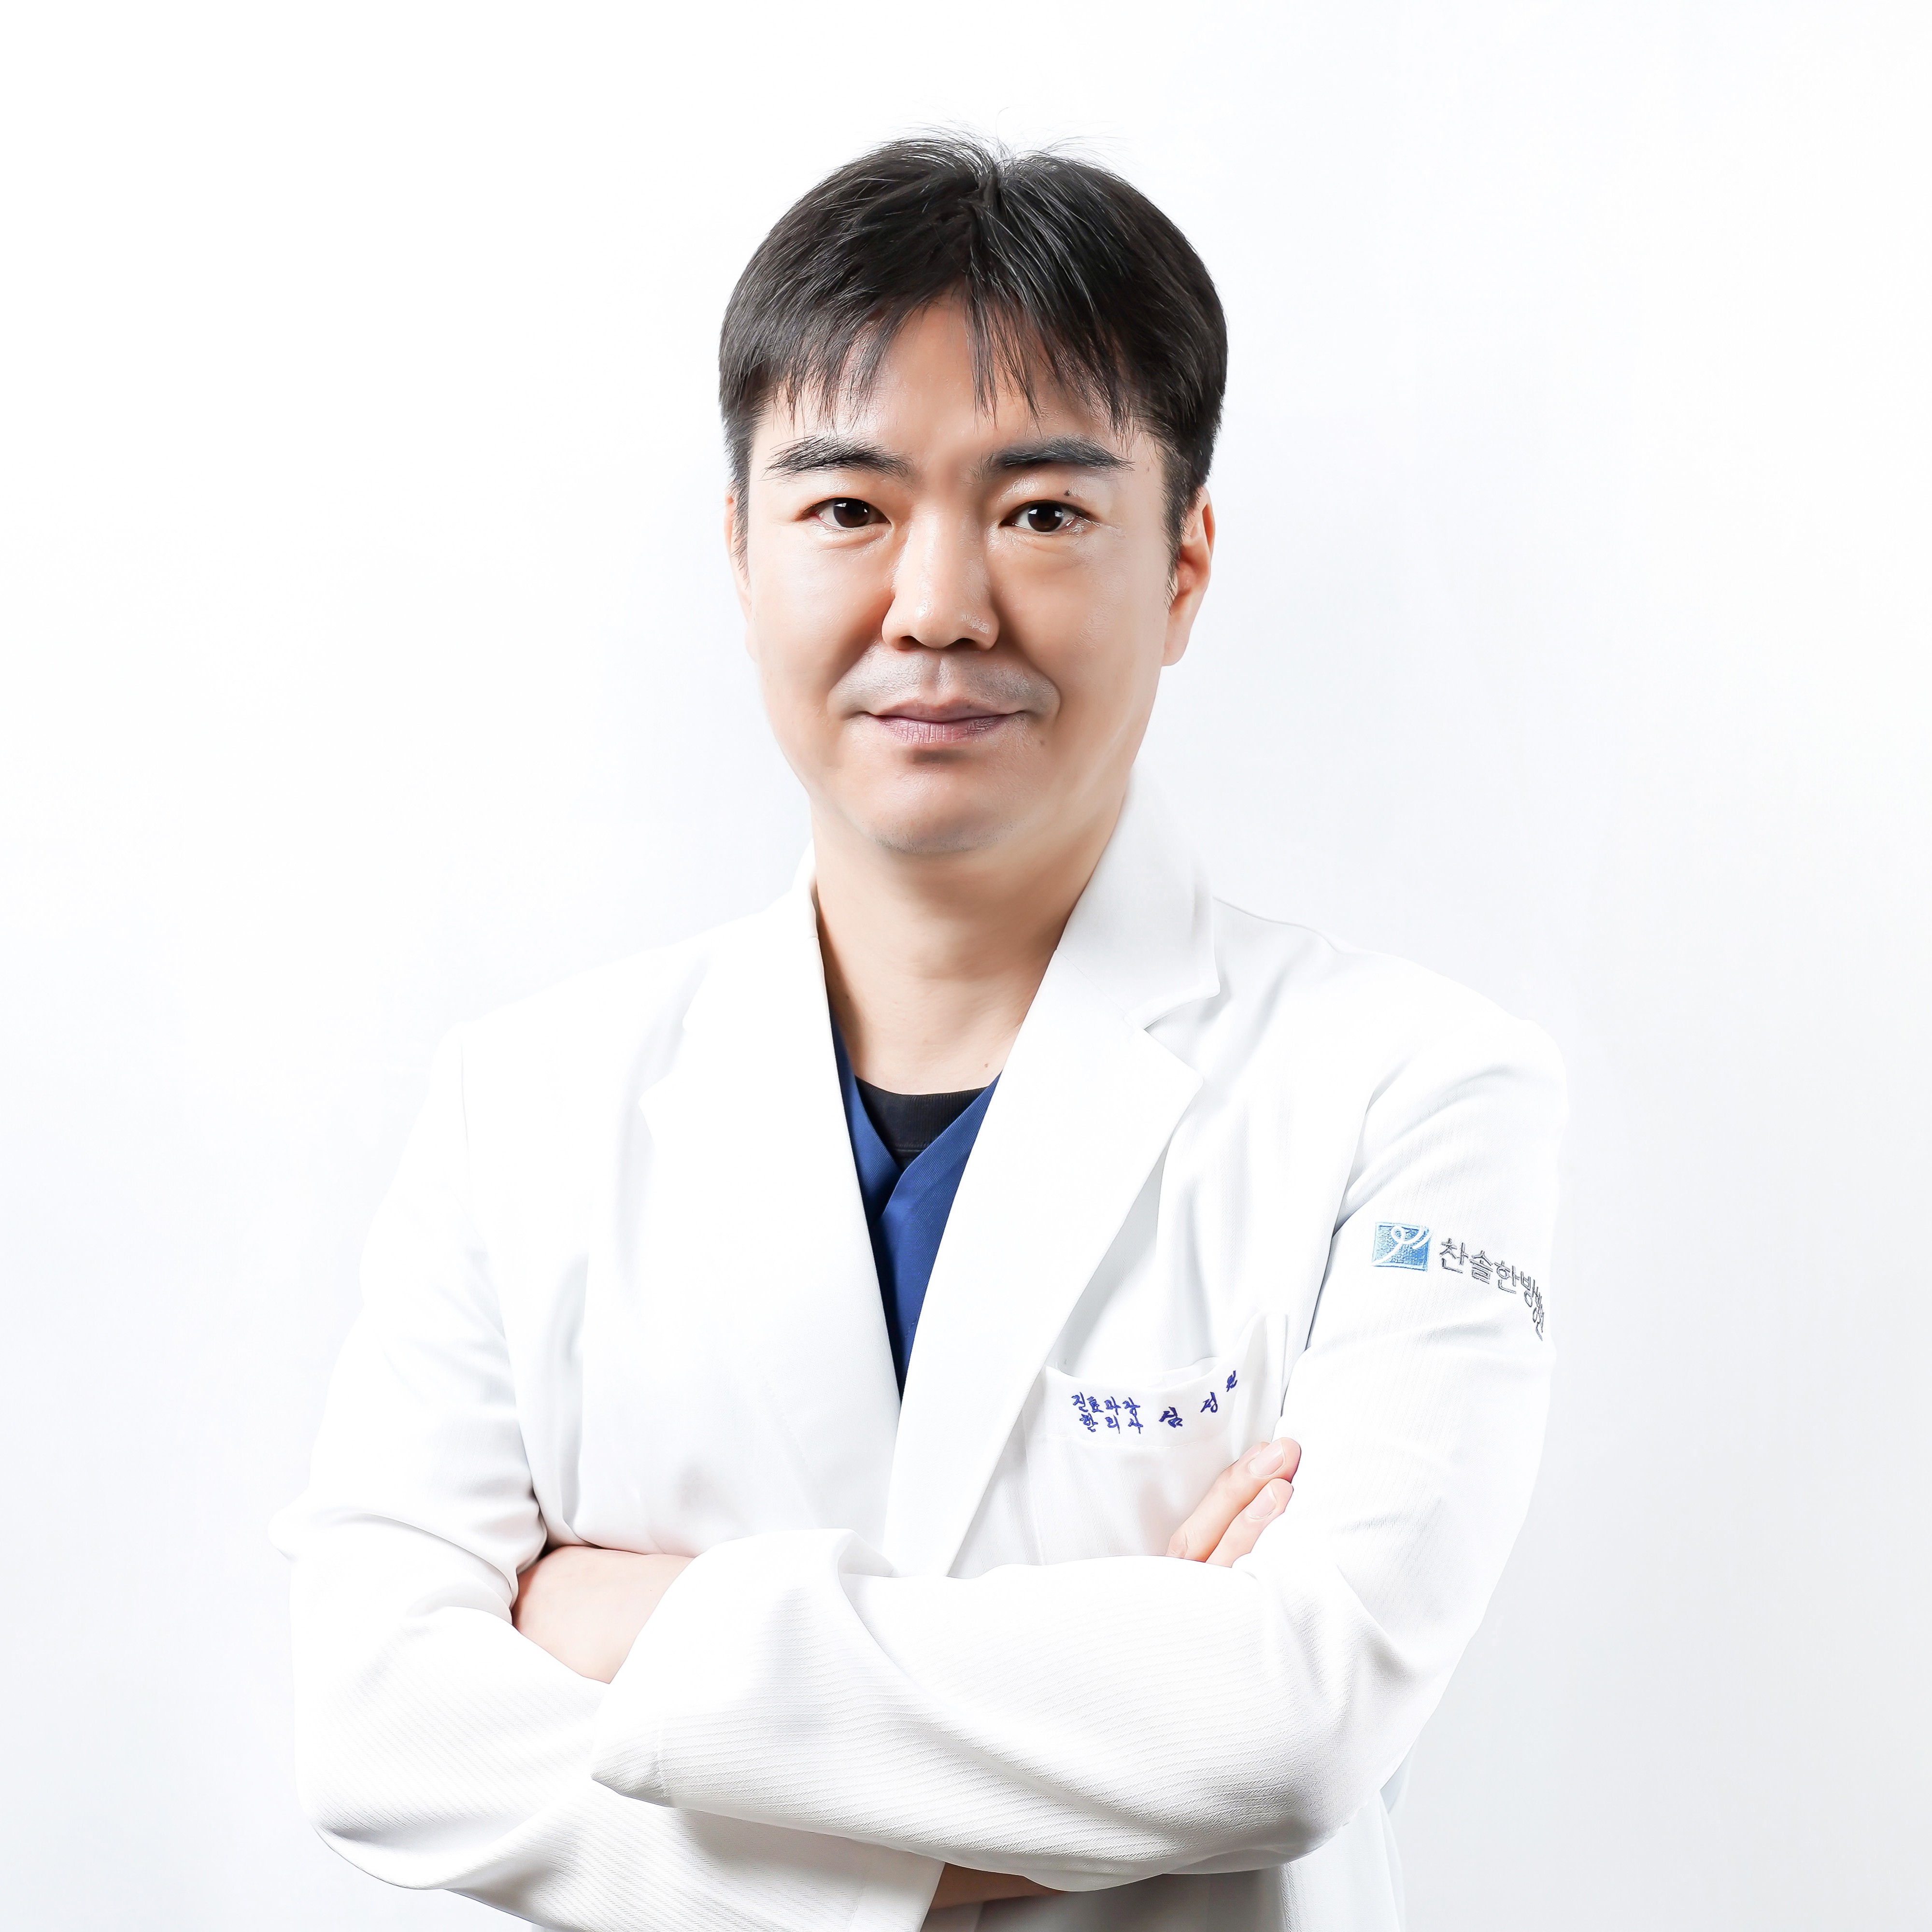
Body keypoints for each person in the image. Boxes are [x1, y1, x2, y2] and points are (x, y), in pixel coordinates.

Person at [272, 134, 1564, 1932]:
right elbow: (375, 1729)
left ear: (1184, 566)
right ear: (742, 552)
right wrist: (1095, 1749)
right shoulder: (526, 1108)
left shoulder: (1413, 1095)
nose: (941, 606)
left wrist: (629, 1622)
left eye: (1042, 513)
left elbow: (1286, 1731)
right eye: (848, 509)